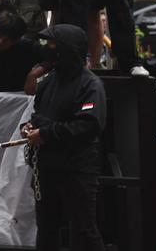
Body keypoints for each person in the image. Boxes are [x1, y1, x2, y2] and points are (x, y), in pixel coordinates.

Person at [20, 24, 106, 250]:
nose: (47, 49)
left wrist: (46, 133)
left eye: (52, 44)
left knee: (84, 230)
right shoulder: (48, 81)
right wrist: (29, 127)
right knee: (46, 229)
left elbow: (87, 125)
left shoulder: (90, 85)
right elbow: (39, 115)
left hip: (77, 168)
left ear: (66, 49)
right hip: (47, 166)